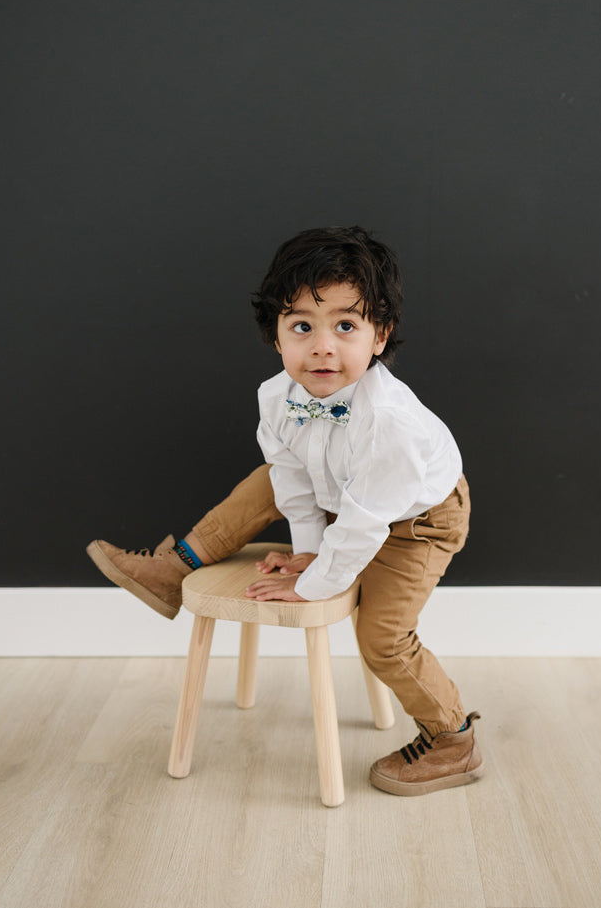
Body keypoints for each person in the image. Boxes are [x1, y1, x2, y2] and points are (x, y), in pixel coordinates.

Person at [87, 226, 483, 796]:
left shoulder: (389, 424)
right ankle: (175, 569)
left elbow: (366, 523)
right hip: (346, 497)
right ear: (276, 337)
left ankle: (452, 738)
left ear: (379, 335)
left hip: (415, 523)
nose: (322, 346)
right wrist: (308, 550)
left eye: (345, 326)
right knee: (269, 480)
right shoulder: (277, 398)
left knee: (384, 637)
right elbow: (292, 480)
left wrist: (314, 582)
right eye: (302, 326)